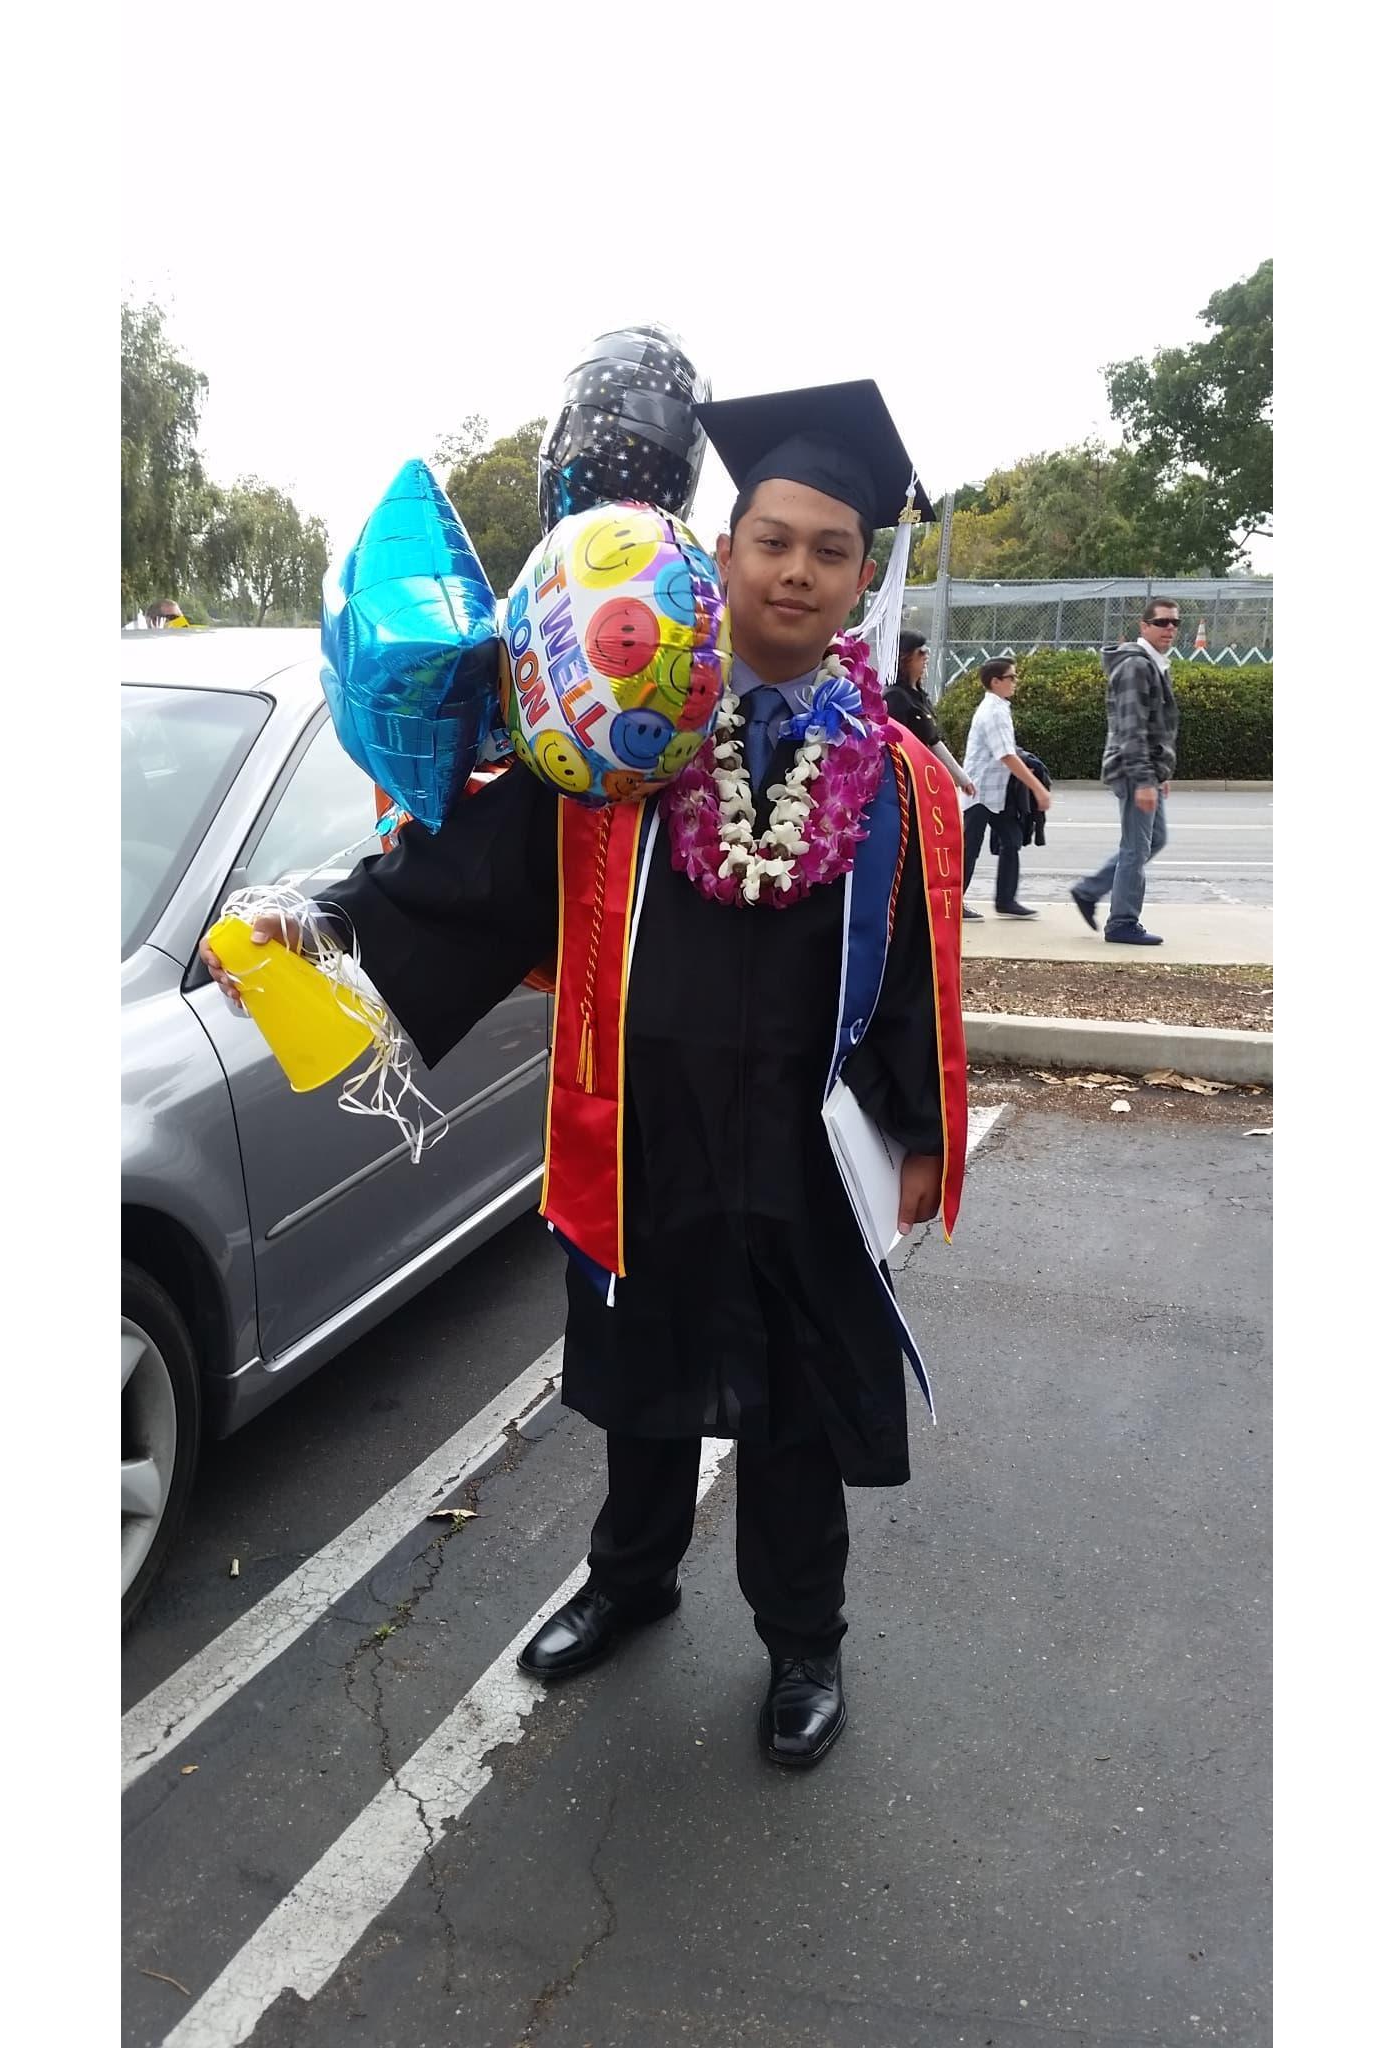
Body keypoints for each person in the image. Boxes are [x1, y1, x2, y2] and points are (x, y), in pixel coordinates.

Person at [203, 379, 967, 1772]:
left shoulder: (904, 776)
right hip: (649, 1122)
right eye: (774, 541)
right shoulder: (620, 735)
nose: (798, 571)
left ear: (861, 578)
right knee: (642, 1377)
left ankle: (804, 1642)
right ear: (721, 553)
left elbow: (917, 968)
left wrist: (917, 1132)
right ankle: (628, 1581)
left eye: (831, 551)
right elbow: (478, 874)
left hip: (807, 1145)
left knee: (795, 1407)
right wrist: (328, 926)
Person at [1069, 598, 1181, 944]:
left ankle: (1090, 890)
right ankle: (1122, 923)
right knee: (1136, 847)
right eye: (1162, 622)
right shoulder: (1136, 666)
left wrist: (1160, 775)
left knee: (1153, 839)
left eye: (1175, 623)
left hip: (1145, 770)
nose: (1170, 629)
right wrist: (1146, 780)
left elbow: (1154, 726)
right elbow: (1131, 730)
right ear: (1144, 626)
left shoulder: (1152, 664)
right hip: (1135, 771)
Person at [958, 657, 1051, 919]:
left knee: (1011, 839)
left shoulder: (999, 707)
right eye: (1011, 677)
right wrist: (1038, 789)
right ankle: (953, 903)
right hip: (979, 792)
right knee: (969, 849)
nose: (1015, 682)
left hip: (994, 793)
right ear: (995, 681)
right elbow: (1006, 755)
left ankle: (1006, 900)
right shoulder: (993, 712)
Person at [885, 630, 977, 801]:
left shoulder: (920, 697)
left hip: (925, 780)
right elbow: (895, 750)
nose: (926, 656)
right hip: (906, 785)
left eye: (927, 651)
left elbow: (933, 741)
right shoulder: (895, 697)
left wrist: (960, 777)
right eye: (920, 652)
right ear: (904, 657)